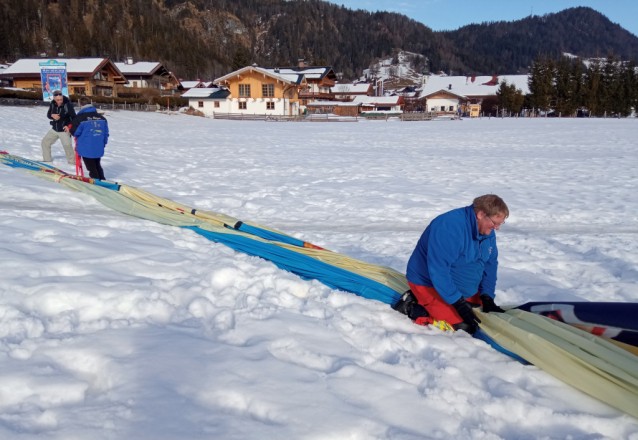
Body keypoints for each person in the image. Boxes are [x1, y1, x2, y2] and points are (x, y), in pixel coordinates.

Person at [395, 195, 509, 334]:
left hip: (461, 286)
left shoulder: (486, 229)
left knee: (482, 319)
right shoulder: (449, 227)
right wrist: (458, 303)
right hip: (430, 283)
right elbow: (438, 270)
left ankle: (448, 303)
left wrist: (487, 296)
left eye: (499, 224)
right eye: (494, 223)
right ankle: (415, 308)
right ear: (480, 214)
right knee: (464, 328)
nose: (497, 228)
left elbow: (490, 263)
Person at [70, 97, 109, 180]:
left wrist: (70, 129)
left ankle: (97, 183)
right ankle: (102, 180)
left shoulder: (80, 118)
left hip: (86, 147)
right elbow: (106, 134)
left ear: (81, 105)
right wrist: (103, 144)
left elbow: (75, 132)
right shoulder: (102, 118)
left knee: (91, 167)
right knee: (97, 165)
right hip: (98, 146)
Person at [42, 90, 76, 164]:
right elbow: (48, 114)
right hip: (54, 129)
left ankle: (72, 163)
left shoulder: (68, 104)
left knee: (67, 146)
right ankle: (47, 160)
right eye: (58, 100)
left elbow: (74, 118)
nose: (59, 101)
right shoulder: (52, 104)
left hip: (64, 130)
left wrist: (68, 126)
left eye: (61, 99)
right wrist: (52, 115)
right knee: (45, 142)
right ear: (54, 98)